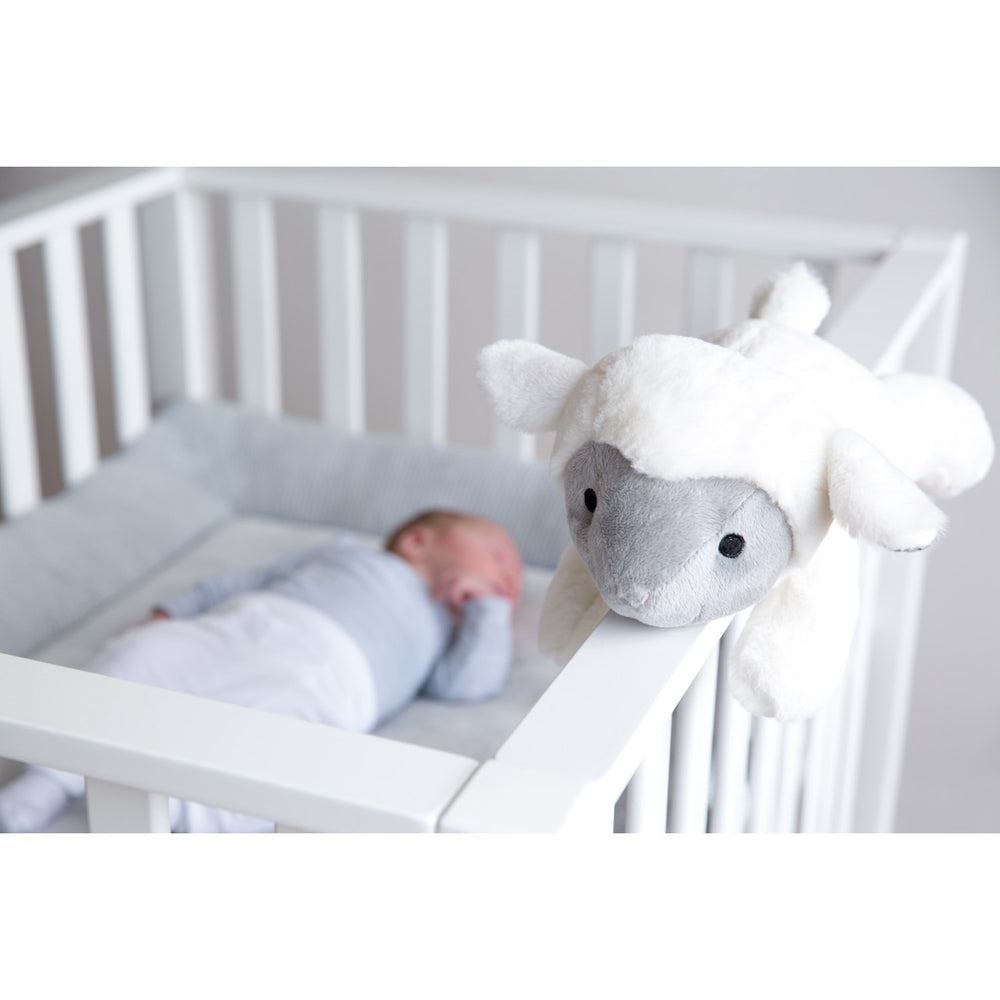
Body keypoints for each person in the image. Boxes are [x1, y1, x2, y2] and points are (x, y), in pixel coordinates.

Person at [0, 510, 523, 833]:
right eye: (497, 557)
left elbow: (469, 685)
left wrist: (488, 611)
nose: (508, 578)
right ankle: (46, 781)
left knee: (281, 767)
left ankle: (172, 814)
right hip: (245, 628)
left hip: (321, 683)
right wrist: (172, 613)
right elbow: (241, 582)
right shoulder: (343, 553)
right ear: (418, 542)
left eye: (514, 584)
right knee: (143, 654)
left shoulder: (447, 633)